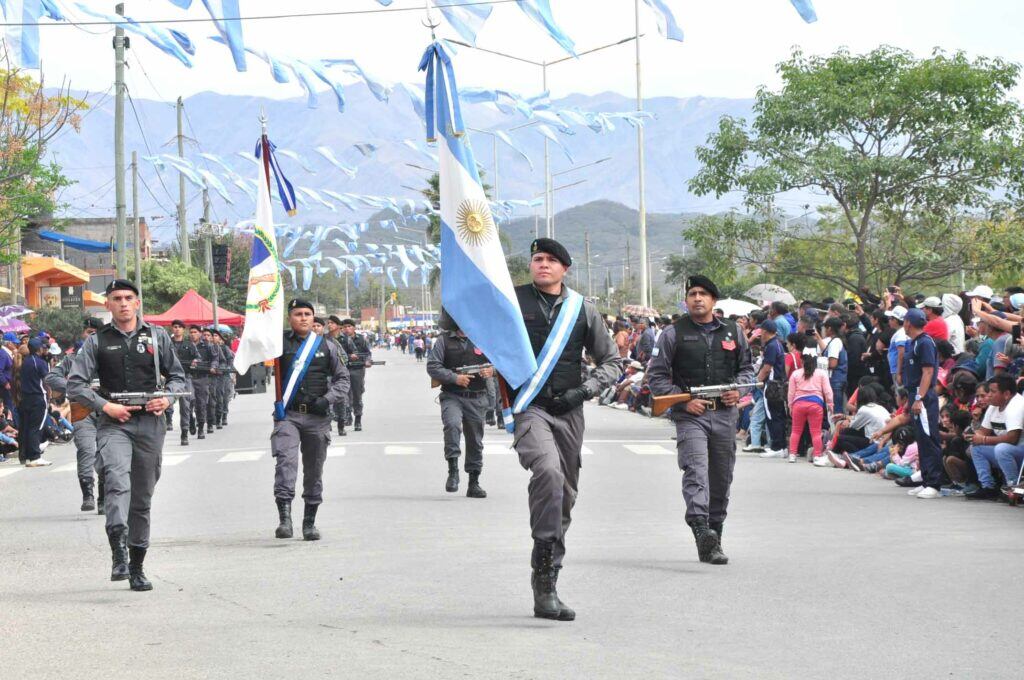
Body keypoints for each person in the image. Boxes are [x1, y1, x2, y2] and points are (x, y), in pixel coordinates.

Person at [510, 238, 621, 622]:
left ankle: (550, 575)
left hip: (569, 410)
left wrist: (584, 390)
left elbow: (612, 361)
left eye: (551, 260)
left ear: (564, 269)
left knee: (566, 495)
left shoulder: (583, 310)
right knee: (549, 473)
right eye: (537, 259)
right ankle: (543, 583)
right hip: (531, 408)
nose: (542, 264)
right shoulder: (511, 301)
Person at [68, 279, 187, 592]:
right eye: (116, 298)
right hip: (115, 422)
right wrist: (105, 406)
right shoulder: (96, 342)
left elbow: (177, 377)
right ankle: (118, 550)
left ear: (137, 303)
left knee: (142, 496)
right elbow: (75, 384)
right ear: (108, 304)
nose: (122, 303)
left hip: (150, 423)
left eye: (128, 298)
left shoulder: (157, 336)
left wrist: (168, 398)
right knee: (117, 481)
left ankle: (137, 565)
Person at [647, 274, 755, 567]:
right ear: (686, 299)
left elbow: (747, 371)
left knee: (721, 477)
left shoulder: (734, 332)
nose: (697, 298)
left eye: (703, 294)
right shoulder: (672, 333)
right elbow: (656, 377)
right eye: (692, 293)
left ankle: (714, 537)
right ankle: (700, 529)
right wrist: (683, 400)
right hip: (690, 416)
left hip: (725, 415)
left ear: (713, 301)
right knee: (695, 471)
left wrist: (738, 391)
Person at [271, 299, 350, 541]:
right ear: (289, 318)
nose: (303, 318)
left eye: (307, 314)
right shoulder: (277, 344)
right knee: (286, 464)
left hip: (318, 418)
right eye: (298, 314)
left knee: (314, 471)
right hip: (289, 416)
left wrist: (327, 399)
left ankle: (309, 522)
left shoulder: (327, 346)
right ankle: (285, 519)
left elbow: (343, 380)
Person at [426, 319, 493, 498]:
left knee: (475, 440)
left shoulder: (483, 339)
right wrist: (454, 378)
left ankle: (474, 482)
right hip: (452, 395)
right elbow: (433, 366)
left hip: (477, 397)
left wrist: (491, 371)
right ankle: (453, 471)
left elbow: (501, 362)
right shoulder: (443, 340)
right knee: (452, 425)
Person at [45, 317, 105, 508]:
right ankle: (87, 494)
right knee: (86, 452)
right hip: (82, 412)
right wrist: (77, 387)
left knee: (107, 455)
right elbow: (52, 377)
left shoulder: (110, 357)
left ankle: (104, 496)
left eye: (95, 332)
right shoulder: (72, 360)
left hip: (107, 411)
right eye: (88, 332)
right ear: (83, 334)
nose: (91, 335)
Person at [902, 308, 944, 499]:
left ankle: (934, 483)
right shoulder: (915, 343)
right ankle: (926, 479)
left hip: (924, 397)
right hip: (915, 394)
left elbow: (928, 372)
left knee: (929, 439)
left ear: (908, 323)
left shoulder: (925, 342)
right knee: (921, 438)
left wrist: (919, 398)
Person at [966, 374, 1024, 500]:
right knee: (976, 448)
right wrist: (975, 437)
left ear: (1007, 394)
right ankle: (988, 487)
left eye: (993, 391)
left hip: (1019, 450)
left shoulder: (1016, 405)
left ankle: (1013, 487)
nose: (989, 395)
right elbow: (983, 431)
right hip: (1008, 453)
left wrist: (984, 439)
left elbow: (1013, 438)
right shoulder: (994, 405)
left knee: (1001, 448)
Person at [788, 346, 833, 464]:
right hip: (816, 404)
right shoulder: (821, 373)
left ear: (802, 360)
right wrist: (830, 403)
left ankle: (792, 454)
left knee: (796, 431)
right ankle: (817, 455)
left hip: (798, 404)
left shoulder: (796, 374)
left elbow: (791, 392)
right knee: (816, 431)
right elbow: (828, 391)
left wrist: (790, 405)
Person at [755, 320, 788, 458]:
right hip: (779, 385)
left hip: (772, 386)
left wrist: (758, 380)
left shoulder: (772, 346)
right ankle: (781, 446)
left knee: (773, 416)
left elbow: (767, 368)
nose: (759, 333)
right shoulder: (777, 344)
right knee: (778, 415)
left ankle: (777, 447)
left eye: (761, 330)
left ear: (765, 331)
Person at [19, 337, 52, 467]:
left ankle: (27, 455)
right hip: (38, 397)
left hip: (26, 397)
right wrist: (50, 394)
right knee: (36, 427)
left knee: (27, 427)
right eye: (43, 347)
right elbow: (47, 381)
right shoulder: (40, 362)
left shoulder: (25, 361)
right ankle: (35, 456)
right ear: (39, 349)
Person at [338, 319, 372, 432]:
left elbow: (367, 353)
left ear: (354, 328)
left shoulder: (361, 339)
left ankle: (358, 419)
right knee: (344, 395)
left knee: (357, 395)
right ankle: (347, 416)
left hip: (357, 369)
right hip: (343, 369)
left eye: (349, 326)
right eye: (344, 327)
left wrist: (367, 361)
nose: (347, 329)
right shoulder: (339, 340)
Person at [169, 320, 199, 446]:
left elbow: (197, 357)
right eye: (175, 327)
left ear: (183, 330)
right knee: (168, 403)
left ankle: (184, 432)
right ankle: (169, 422)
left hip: (185, 377)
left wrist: (195, 361)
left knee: (186, 406)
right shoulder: (168, 344)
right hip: (170, 378)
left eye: (179, 327)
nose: (177, 329)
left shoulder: (189, 344)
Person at [190, 325, 219, 439]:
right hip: (189, 377)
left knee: (201, 404)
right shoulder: (187, 345)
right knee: (188, 403)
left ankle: (201, 427)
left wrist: (212, 366)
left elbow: (215, 359)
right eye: (191, 332)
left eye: (195, 332)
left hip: (202, 377)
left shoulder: (207, 346)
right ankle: (191, 420)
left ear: (199, 333)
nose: (193, 334)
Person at [325, 315, 350, 436]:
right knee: (328, 400)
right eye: (328, 323)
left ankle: (341, 426)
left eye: (332, 323)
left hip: (340, 374)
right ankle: (327, 425)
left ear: (338, 326)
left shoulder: (343, 339)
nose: (329, 325)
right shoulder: (324, 339)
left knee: (341, 400)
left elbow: (346, 357)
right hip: (327, 375)